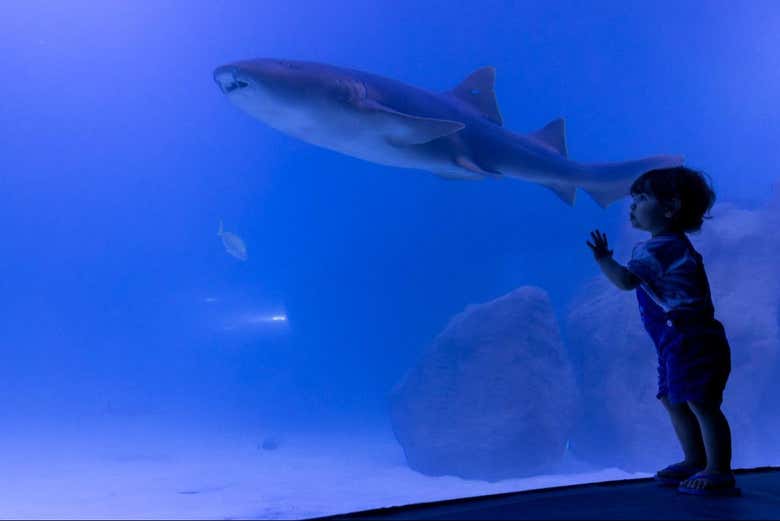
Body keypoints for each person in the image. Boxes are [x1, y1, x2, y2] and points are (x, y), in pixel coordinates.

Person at [586, 166, 739, 496]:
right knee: (673, 399)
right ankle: (694, 459)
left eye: (642, 198)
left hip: (690, 338)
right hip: (675, 341)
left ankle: (718, 471)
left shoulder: (660, 248)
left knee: (701, 402)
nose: (633, 205)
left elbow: (627, 281)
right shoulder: (668, 245)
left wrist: (603, 260)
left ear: (670, 207)